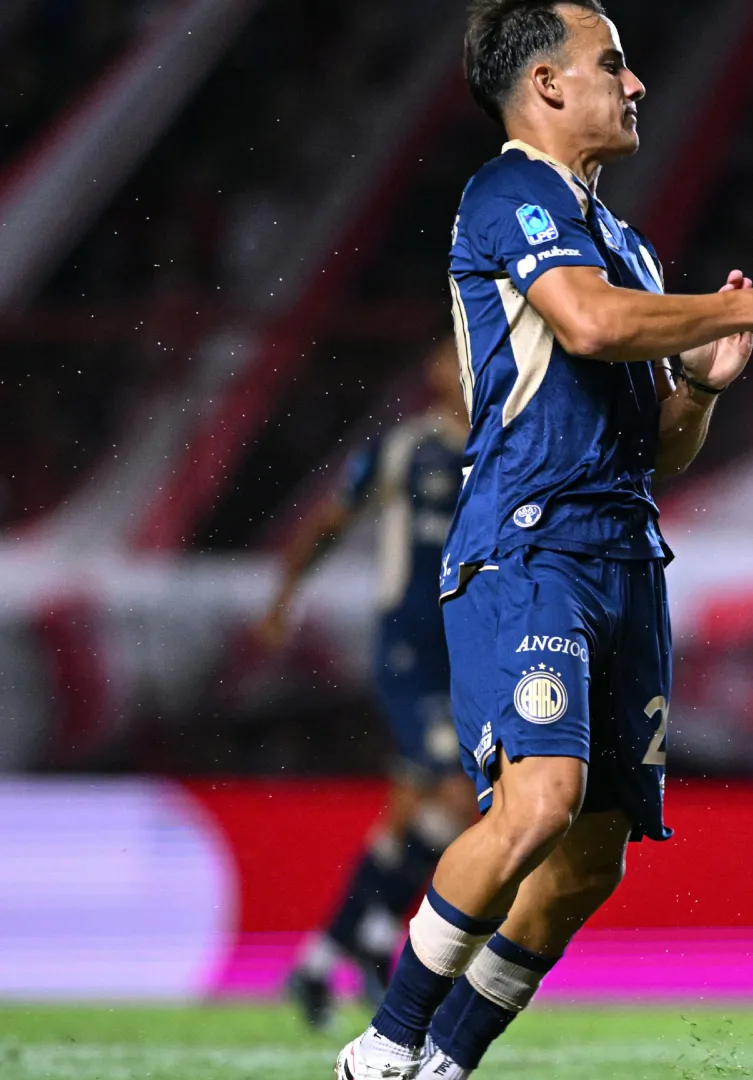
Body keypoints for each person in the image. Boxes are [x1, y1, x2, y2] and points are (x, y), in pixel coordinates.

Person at [336, 1, 753, 1077]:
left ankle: (447, 1060)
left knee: (591, 857)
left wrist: (699, 384)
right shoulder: (508, 192)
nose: (637, 83)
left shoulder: (633, 248)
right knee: (539, 806)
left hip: (623, 558)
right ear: (548, 85)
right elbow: (591, 324)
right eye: (613, 64)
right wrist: (735, 314)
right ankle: (382, 1047)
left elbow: (663, 447)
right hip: (529, 547)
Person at [262, 343, 474, 1030]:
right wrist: (285, 595)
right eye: (452, 358)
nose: (461, 369)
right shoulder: (407, 449)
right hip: (412, 653)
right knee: (453, 795)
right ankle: (380, 945)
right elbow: (331, 519)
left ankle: (324, 962)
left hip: (470, 655)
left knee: (417, 813)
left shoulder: (508, 448)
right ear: (435, 374)